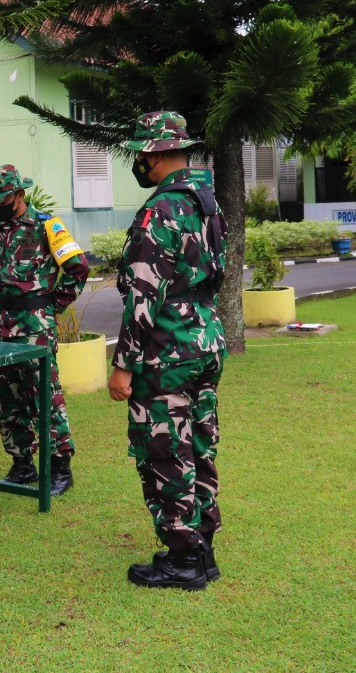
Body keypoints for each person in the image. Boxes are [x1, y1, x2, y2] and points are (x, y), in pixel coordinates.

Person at [108, 111, 227, 591]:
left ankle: (182, 559)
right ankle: (203, 547)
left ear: (155, 154)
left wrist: (123, 366)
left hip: (168, 347)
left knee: (163, 447)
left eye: (140, 152)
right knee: (198, 441)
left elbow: (142, 295)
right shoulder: (205, 202)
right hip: (203, 338)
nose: (138, 160)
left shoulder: (160, 210)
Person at [0, 164, 89, 496]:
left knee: (45, 397)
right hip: (1, 330)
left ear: (19, 195)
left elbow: (77, 267)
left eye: (1, 199)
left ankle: (60, 468)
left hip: (34, 329)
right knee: (8, 399)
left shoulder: (46, 226)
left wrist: (53, 304)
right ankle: (22, 463)